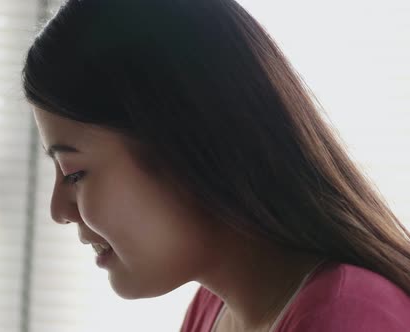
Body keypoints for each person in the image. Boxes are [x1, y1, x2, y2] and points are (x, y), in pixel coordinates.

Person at [21, 0, 410, 331]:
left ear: (185, 149)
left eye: (74, 173)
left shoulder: (347, 317)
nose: (59, 211)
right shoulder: (214, 310)